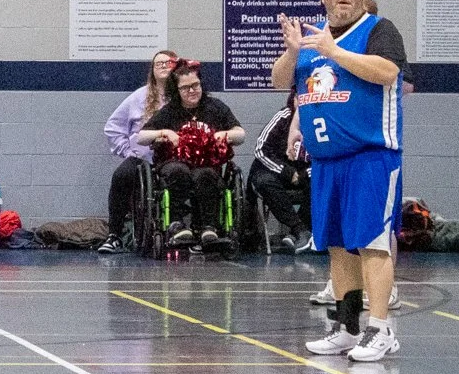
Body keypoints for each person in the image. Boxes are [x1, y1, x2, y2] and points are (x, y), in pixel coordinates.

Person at [274, 0, 407, 363]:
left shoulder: (378, 30)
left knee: (372, 243)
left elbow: (388, 73)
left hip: (370, 157)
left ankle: (381, 329)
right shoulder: (312, 36)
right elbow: (281, 81)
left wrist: (334, 52)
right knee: (337, 245)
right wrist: (293, 52)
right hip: (327, 160)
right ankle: (347, 327)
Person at [135, 59, 245, 251]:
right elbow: (141, 137)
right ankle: (176, 223)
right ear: (176, 91)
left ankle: (208, 226)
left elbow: (241, 134)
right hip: (174, 162)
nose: (192, 90)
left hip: (206, 163)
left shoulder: (215, 107)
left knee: (206, 175)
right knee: (178, 171)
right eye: (185, 88)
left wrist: (224, 134)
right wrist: (164, 133)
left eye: (195, 85)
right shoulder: (169, 111)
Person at [98, 49, 179, 254]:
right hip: (143, 159)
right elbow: (112, 127)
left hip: (176, 159)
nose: (163, 66)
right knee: (121, 175)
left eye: (168, 63)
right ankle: (114, 235)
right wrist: (128, 151)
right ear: (152, 70)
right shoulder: (138, 97)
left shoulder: (184, 95)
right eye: (158, 63)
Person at [248, 97, 314, 254]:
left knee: (322, 181)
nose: (302, 102)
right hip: (275, 170)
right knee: (263, 181)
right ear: (293, 99)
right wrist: (287, 172)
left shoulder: (322, 120)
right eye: (299, 98)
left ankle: (298, 233)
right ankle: (299, 229)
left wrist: (304, 175)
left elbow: (326, 160)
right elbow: (260, 149)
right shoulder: (283, 116)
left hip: (304, 173)